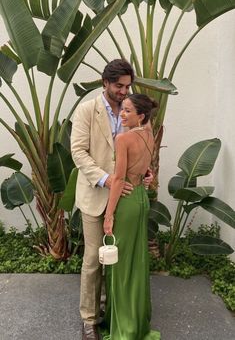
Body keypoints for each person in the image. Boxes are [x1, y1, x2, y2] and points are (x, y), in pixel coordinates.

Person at [71, 59, 152, 340]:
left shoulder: (133, 110)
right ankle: (89, 320)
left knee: (116, 259)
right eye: (119, 86)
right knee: (94, 258)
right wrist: (106, 178)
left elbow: (138, 148)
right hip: (96, 194)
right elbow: (79, 153)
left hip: (126, 198)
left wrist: (145, 171)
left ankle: (113, 313)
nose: (124, 91)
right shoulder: (86, 111)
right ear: (105, 83)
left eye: (128, 86)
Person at [101, 94, 161, 340]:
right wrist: (147, 176)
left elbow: (117, 179)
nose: (122, 114)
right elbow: (149, 170)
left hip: (125, 204)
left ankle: (124, 327)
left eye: (127, 111)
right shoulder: (149, 136)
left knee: (121, 264)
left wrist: (108, 214)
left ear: (141, 115)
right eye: (122, 110)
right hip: (141, 200)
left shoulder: (123, 138)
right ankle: (136, 321)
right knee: (137, 261)